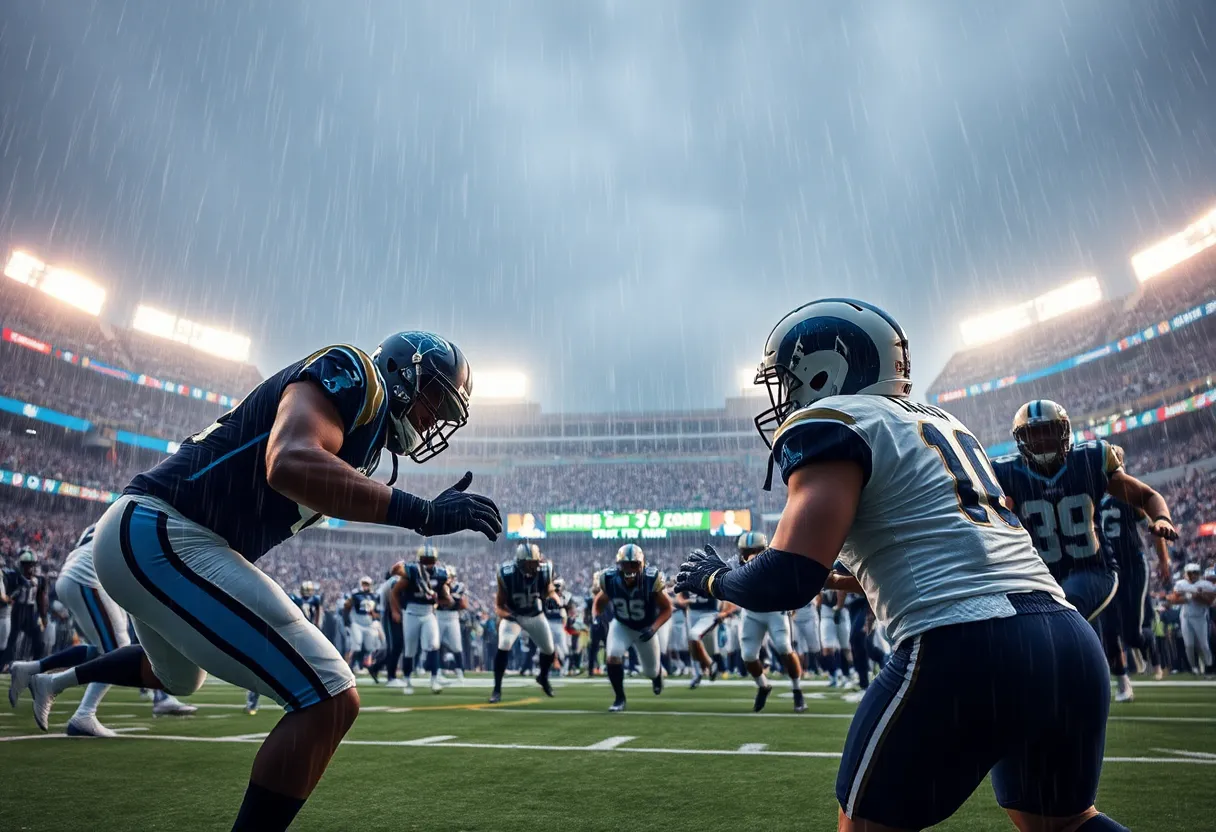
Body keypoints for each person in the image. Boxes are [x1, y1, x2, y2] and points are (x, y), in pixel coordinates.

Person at [675, 298, 1131, 831]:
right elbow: (921, 553)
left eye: (788, 380)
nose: (783, 398)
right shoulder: (945, 422)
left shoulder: (834, 419)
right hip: (1066, 638)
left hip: (965, 642)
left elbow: (789, 577)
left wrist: (715, 577)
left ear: (826, 370)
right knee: (1065, 825)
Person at [25, 332, 500, 832]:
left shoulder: (366, 441)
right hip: (163, 530)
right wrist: (423, 514)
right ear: (406, 374)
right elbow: (289, 462)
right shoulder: (357, 373)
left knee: (180, 678)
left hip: (164, 542)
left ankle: (53, 679)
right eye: (434, 400)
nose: (433, 420)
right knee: (331, 696)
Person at [1099, 494, 1172, 692]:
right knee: (1109, 628)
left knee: (1132, 635)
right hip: (1109, 568)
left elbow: (1153, 528)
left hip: (1133, 566)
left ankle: (1150, 645)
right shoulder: (1094, 499)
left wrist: (1163, 559)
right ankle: (1123, 682)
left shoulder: (1127, 498)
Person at [592, 544, 672, 712]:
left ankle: (656, 675)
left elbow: (667, 609)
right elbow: (599, 602)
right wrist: (596, 618)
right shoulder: (610, 579)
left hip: (645, 628)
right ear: (619, 565)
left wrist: (653, 628)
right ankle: (619, 698)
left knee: (650, 671)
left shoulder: (651, 579)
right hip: (622, 625)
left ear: (642, 565)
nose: (629, 569)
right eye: (625, 565)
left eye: (634, 565)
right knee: (613, 656)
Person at [735, 532, 805, 712]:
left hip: (775, 612)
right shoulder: (736, 565)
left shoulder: (776, 564)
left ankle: (797, 690)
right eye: (747, 551)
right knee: (748, 655)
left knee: (784, 647)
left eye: (756, 551)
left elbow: (792, 584)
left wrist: (791, 602)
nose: (751, 555)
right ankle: (763, 686)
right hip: (751, 613)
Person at [490, 543, 558, 703]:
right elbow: (499, 606)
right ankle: (497, 689)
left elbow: (550, 591)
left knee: (549, 650)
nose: (534, 567)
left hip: (534, 614)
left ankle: (543, 677)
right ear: (520, 563)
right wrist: (509, 616)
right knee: (504, 645)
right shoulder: (507, 574)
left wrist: (554, 599)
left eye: (535, 562)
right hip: (514, 615)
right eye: (530, 563)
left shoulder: (544, 571)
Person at [393, 545, 448, 694]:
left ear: (435, 561)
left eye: (431, 560)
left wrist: (445, 598)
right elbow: (395, 592)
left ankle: (434, 680)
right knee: (410, 649)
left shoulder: (441, 574)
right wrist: (396, 610)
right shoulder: (412, 572)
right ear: (419, 560)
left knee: (433, 645)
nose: (428, 563)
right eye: (425, 560)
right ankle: (407, 681)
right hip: (411, 612)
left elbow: (444, 594)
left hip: (429, 612)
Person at [1, 550, 47, 666]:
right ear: (22, 565)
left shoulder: (39, 580)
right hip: (17, 610)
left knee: (38, 637)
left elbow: (40, 599)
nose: (30, 568)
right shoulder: (15, 577)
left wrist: (43, 615)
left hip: (30, 610)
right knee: (11, 638)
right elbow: (8, 592)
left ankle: (37, 663)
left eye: (32, 565)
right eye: (27, 565)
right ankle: (4, 664)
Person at [1169, 563, 1215, 675]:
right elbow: (1173, 600)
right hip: (1185, 616)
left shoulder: (1206, 585)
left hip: (1200, 617)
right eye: (1190, 573)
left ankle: (1209, 666)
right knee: (1189, 645)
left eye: (1195, 573)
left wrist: (1198, 596)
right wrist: (1187, 597)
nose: (1193, 575)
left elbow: (1210, 602)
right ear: (1186, 573)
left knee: (1203, 645)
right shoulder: (1181, 584)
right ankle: (1193, 666)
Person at [369, 563, 406, 687]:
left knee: (397, 645)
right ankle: (391, 676)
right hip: (390, 614)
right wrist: (397, 611)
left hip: (393, 614)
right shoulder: (395, 581)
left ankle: (376, 667)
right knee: (394, 646)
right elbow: (393, 597)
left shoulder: (391, 581)